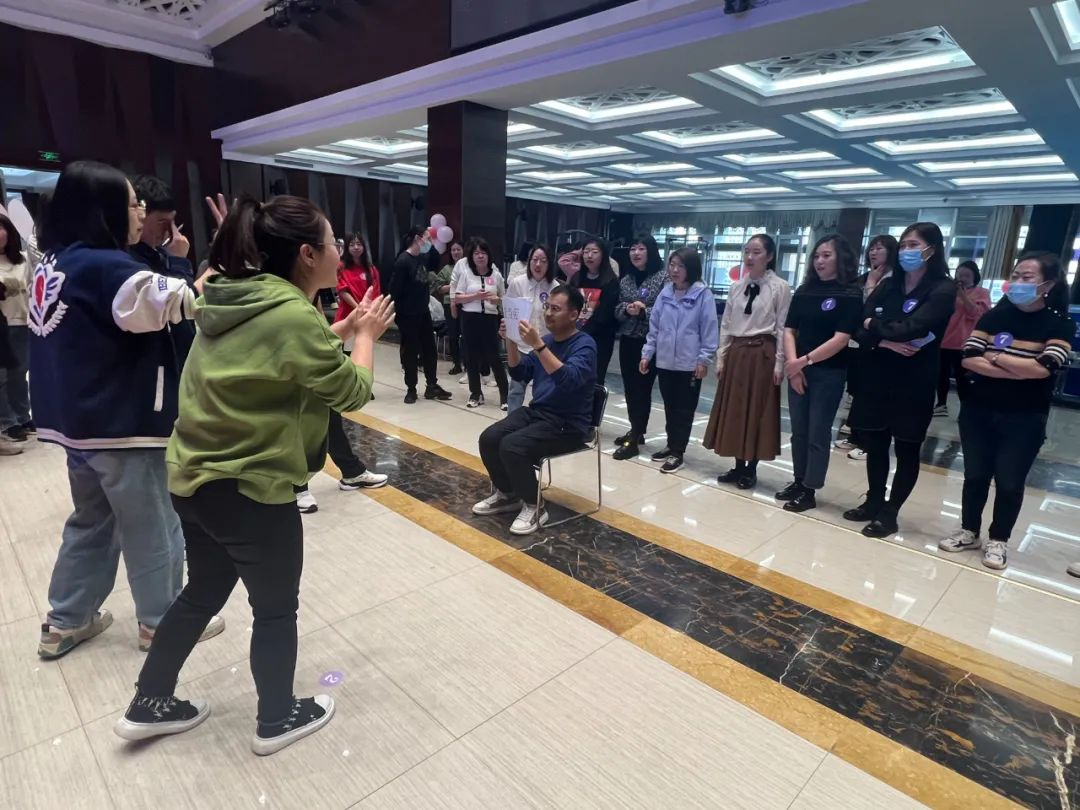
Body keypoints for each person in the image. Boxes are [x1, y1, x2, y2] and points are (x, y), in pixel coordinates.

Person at [115, 193, 395, 755]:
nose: (340, 251)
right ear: (308, 254)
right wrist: (366, 338)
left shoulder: (230, 293)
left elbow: (286, 350)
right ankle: (277, 717)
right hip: (250, 487)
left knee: (202, 591)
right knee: (275, 607)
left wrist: (343, 328)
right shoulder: (292, 313)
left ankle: (149, 701)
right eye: (333, 242)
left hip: (194, 479)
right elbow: (351, 391)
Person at [30, 161, 225, 659]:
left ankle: (66, 620)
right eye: (132, 203)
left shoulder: (54, 262)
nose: (139, 212)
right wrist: (202, 259)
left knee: (91, 520)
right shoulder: (108, 267)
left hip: (76, 425)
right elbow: (184, 304)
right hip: (122, 423)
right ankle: (163, 622)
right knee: (152, 522)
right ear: (103, 210)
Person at [938, 253, 1074, 570]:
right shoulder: (993, 317)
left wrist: (996, 357)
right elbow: (969, 357)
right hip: (978, 409)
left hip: (1025, 415)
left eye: (1027, 277)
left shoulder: (1059, 323)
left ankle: (998, 538)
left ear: (1047, 285)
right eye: (1015, 275)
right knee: (975, 475)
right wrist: (1020, 368)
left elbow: (1044, 368)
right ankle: (969, 530)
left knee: (1010, 481)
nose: (1018, 282)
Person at [844, 222, 956, 538]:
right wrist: (884, 339)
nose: (907, 250)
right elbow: (857, 326)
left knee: (907, 448)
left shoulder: (942, 289)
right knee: (876, 443)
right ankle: (874, 500)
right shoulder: (889, 285)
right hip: (877, 375)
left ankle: (891, 512)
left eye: (913, 245)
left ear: (931, 250)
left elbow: (913, 328)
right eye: (903, 244)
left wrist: (875, 325)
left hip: (914, 380)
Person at [474, 286, 597, 534]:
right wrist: (511, 339)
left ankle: (535, 505)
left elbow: (568, 380)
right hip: (539, 413)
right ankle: (508, 494)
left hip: (567, 424)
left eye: (556, 309)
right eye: (547, 307)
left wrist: (538, 345)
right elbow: (519, 371)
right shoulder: (548, 341)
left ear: (573, 315)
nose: (548, 313)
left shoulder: (585, 345)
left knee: (512, 446)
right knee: (489, 438)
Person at [776, 235, 863, 513]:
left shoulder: (850, 293)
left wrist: (804, 362)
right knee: (798, 431)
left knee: (817, 431)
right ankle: (798, 480)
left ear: (841, 259)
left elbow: (841, 338)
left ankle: (810, 488)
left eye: (827, 255)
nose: (820, 261)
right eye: (816, 256)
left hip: (828, 372)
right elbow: (789, 330)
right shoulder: (805, 290)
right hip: (798, 370)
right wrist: (794, 366)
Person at [704, 234, 791, 490]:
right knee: (735, 409)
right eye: (747, 252)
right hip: (737, 352)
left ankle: (751, 468)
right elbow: (726, 324)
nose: (749, 257)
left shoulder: (780, 287)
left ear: (770, 256)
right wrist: (722, 357)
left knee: (757, 410)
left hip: (762, 353)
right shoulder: (736, 287)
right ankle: (738, 465)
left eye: (756, 252)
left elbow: (782, 327)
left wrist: (779, 363)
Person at [639, 248, 718, 474]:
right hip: (665, 362)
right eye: (672, 265)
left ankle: (678, 452)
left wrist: (703, 360)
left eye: (680, 266)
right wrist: (647, 354)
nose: (674, 270)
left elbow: (709, 330)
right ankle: (671, 444)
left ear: (691, 269)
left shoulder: (702, 295)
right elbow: (654, 328)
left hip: (689, 364)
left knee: (684, 410)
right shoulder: (665, 293)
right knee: (669, 407)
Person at [835, 234, 899, 462]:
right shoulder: (863, 279)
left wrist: (873, 284)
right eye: (872, 248)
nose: (874, 252)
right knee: (857, 390)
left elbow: (875, 311)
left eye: (879, 248)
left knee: (872, 395)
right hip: (859, 342)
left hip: (882, 344)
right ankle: (855, 434)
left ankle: (868, 442)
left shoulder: (896, 281)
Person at [130, 175, 197, 370]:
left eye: (173, 221)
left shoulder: (161, 254)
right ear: (140, 217)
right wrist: (178, 262)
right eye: (161, 221)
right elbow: (178, 307)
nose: (170, 230)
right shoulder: (130, 262)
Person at [612, 234, 665, 461]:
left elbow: (667, 311)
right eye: (633, 248)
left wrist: (644, 311)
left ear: (651, 251)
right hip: (628, 340)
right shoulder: (626, 279)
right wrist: (626, 309)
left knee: (642, 389)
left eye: (641, 248)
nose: (636, 253)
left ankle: (634, 437)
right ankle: (636, 429)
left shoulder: (663, 278)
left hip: (650, 341)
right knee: (630, 388)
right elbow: (616, 309)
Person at [390, 227, 452, 404]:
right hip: (407, 314)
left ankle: (432, 385)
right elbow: (395, 289)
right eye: (426, 238)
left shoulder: (422, 258)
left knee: (430, 350)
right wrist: (397, 313)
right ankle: (411, 388)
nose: (429, 241)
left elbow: (435, 262)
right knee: (411, 352)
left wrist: (431, 245)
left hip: (423, 312)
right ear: (417, 239)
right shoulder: (403, 261)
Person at [453, 237, 509, 409]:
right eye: (476, 253)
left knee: (494, 357)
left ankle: (505, 395)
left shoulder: (496, 275)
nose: (480, 256)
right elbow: (457, 298)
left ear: (488, 255)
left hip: (490, 319)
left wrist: (496, 300)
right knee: (471, 357)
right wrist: (475, 296)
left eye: (483, 253)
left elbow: (505, 299)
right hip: (470, 318)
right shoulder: (466, 274)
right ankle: (475, 393)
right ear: (472, 256)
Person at [505, 244, 557, 412]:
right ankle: (512, 420)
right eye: (534, 260)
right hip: (522, 345)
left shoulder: (555, 287)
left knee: (543, 390)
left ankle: (539, 419)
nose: (538, 264)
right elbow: (510, 311)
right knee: (516, 388)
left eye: (543, 260)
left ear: (549, 263)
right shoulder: (517, 283)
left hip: (545, 346)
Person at [936, 259, 991, 417]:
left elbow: (975, 313)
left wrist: (962, 294)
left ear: (975, 277)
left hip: (965, 342)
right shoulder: (948, 291)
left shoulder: (982, 293)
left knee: (963, 378)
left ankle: (965, 409)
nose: (962, 278)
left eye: (966, 275)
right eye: (959, 274)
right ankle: (941, 404)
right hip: (944, 340)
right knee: (941, 375)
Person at [0, 213, 32, 447]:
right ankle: (7, 422)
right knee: (1, 377)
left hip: (23, 322)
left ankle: (22, 416)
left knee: (20, 374)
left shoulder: (23, 260)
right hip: (2, 325)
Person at [571, 238, 619, 382]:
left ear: (603, 255)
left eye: (594, 252)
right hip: (574, 335)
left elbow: (606, 313)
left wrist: (582, 331)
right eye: (586, 251)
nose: (589, 255)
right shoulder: (576, 278)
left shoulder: (611, 281)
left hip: (600, 338)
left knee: (595, 378)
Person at [430, 238, 462, 374]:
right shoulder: (447, 269)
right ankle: (457, 363)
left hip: (468, 304)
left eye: (458, 249)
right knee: (453, 335)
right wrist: (453, 286)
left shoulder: (469, 268)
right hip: (450, 304)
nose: (456, 252)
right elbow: (439, 288)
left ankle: (469, 364)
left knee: (467, 336)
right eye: (453, 250)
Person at [335, 233, 380, 325]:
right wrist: (359, 309)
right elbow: (342, 291)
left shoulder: (372, 269)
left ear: (364, 247)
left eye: (359, 244)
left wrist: (370, 311)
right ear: (347, 248)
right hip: (346, 315)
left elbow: (376, 292)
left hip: (367, 315)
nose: (356, 247)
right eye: (352, 245)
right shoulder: (341, 267)